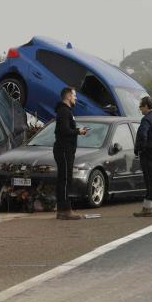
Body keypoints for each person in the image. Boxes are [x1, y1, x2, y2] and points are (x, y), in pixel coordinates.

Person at [53, 87, 87, 220]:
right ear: (68, 96)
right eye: (74, 95)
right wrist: (78, 131)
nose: (76, 98)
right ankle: (65, 210)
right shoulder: (63, 111)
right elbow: (63, 130)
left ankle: (62, 210)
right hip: (63, 150)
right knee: (65, 179)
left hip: (66, 149)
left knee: (64, 178)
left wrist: (78, 130)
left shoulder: (66, 111)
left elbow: (66, 129)